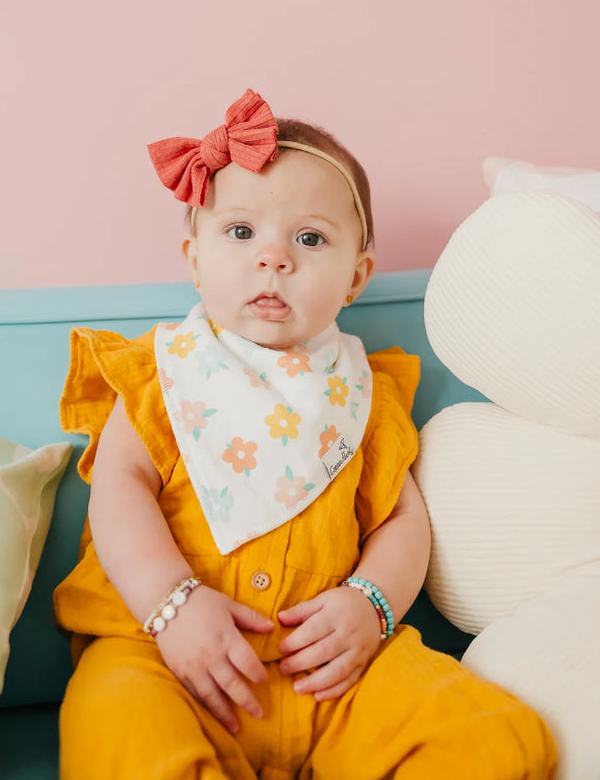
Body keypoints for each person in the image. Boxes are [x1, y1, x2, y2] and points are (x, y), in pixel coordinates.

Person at [53, 89, 556, 779]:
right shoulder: (159, 375)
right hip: (168, 658)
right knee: (119, 730)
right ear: (193, 256)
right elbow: (119, 489)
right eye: (240, 233)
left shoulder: (365, 395)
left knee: (496, 738)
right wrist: (171, 605)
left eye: (310, 238)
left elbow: (402, 519)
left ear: (358, 276)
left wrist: (370, 603)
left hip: (331, 675)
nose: (274, 259)